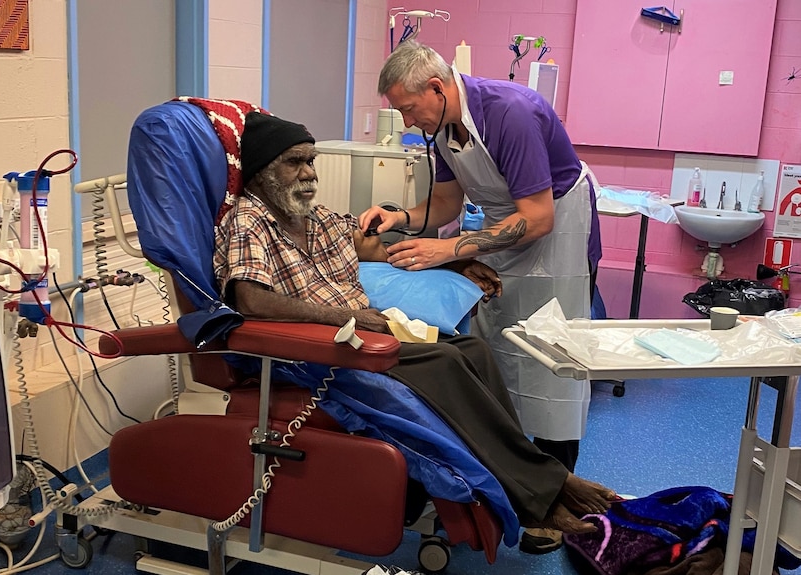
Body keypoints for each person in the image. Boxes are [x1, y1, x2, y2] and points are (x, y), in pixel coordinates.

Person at [213, 111, 616, 540]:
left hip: (362, 340)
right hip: (314, 352)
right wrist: (345, 317)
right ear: (260, 173)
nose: (309, 173)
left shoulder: (314, 219)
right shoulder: (249, 220)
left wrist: (458, 260)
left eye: (312, 161)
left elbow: (381, 247)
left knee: (473, 351)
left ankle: (540, 482)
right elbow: (249, 298)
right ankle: (543, 493)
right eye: (295, 162)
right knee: (445, 359)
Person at [358, 41, 603, 553]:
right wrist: (400, 219)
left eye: (407, 108)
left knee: (550, 361)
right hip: (504, 229)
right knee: (495, 354)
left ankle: (555, 499)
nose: (405, 121)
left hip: (556, 231)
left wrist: (448, 249)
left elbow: (537, 217)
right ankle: (514, 483)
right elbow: (446, 202)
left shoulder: (509, 112)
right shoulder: (442, 128)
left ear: (437, 87)